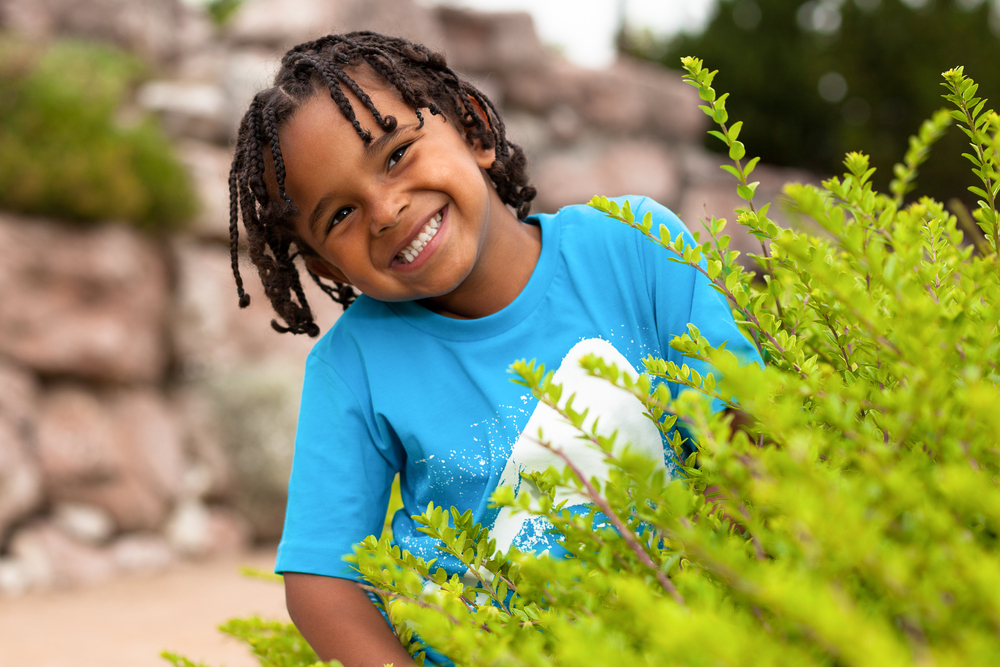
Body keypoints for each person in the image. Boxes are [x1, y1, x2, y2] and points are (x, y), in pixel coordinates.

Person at [227, 31, 761, 667]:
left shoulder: (632, 247)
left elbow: (743, 428)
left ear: (474, 131)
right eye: (338, 216)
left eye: (396, 154)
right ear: (327, 267)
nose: (385, 209)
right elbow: (322, 584)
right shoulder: (353, 367)